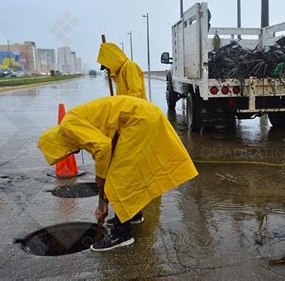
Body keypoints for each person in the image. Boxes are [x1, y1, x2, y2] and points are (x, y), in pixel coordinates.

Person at [38, 96, 198, 251]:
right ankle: (132, 214)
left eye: (64, 154)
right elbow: (109, 144)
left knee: (121, 178)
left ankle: (121, 235)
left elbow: (103, 147)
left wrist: (100, 178)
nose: (69, 154)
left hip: (140, 121)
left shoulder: (69, 125)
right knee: (130, 173)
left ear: (57, 144)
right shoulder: (72, 125)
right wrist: (104, 202)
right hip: (144, 117)